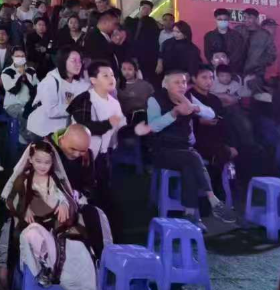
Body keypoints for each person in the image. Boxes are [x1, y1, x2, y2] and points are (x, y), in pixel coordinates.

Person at [134, 69, 237, 226]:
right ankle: (213, 199)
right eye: (177, 82)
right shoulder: (155, 100)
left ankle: (190, 215)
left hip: (185, 150)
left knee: (190, 165)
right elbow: (154, 127)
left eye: (183, 82)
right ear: (166, 85)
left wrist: (195, 107)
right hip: (162, 150)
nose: (182, 85)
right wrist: (174, 113)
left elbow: (211, 114)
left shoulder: (188, 97)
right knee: (193, 157)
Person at [0, 141, 98, 290]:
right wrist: (24, 209)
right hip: (34, 223)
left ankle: (75, 280)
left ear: (52, 163)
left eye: (47, 162)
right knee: (30, 236)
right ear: (31, 160)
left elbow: (63, 195)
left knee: (77, 248)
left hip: (55, 224)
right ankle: (41, 271)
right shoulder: (24, 180)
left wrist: (64, 204)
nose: (42, 166)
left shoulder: (53, 179)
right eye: (38, 161)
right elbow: (12, 200)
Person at [26, 48, 89, 141]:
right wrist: (74, 107)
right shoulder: (50, 81)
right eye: (73, 61)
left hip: (59, 131)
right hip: (41, 130)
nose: (78, 64)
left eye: (80, 61)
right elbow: (51, 111)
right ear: (63, 61)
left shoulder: (78, 82)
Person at [68, 61, 125, 163]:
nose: (111, 79)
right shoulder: (84, 99)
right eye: (105, 76)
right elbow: (83, 127)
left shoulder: (115, 103)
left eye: (112, 75)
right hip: (81, 153)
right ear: (93, 80)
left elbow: (121, 127)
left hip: (103, 153)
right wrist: (108, 124)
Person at [1, 46, 38, 122]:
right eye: (17, 56)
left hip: (29, 103)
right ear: (12, 57)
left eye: (22, 56)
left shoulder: (31, 70)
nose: (20, 58)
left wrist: (26, 79)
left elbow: (36, 88)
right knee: (27, 116)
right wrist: (20, 75)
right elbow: (14, 90)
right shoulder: (7, 72)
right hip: (13, 105)